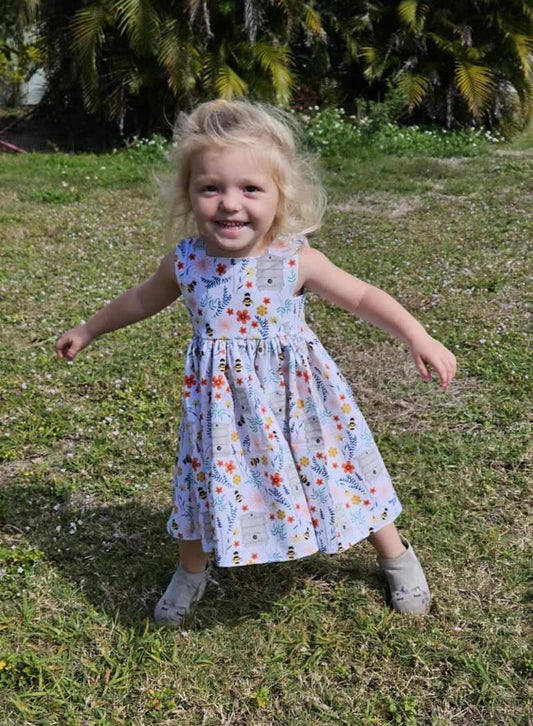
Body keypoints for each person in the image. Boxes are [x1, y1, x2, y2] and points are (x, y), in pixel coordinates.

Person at [56, 99, 456, 626]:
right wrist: (89, 329)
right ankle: (191, 571)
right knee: (202, 484)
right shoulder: (186, 263)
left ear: (280, 194)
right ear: (189, 193)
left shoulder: (295, 259)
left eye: (250, 189)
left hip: (298, 402)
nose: (230, 203)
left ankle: (395, 555)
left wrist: (417, 335)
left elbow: (362, 296)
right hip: (220, 411)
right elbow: (140, 300)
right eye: (211, 188)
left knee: (337, 470)